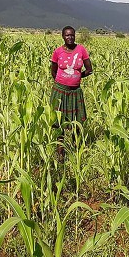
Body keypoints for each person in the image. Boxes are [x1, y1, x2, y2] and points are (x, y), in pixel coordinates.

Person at [50, 26, 92, 158]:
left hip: (75, 92)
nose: (70, 37)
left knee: (77, 122)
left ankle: (76, 150)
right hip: (60, 91)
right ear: (62, 36)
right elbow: (53, 71)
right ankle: (60, 153)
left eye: (72, 35)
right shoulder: (57, 52)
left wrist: (78, 76)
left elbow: (89, 69)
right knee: (59, 122)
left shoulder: (81, 50)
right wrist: (62, 81)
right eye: (67, 35)